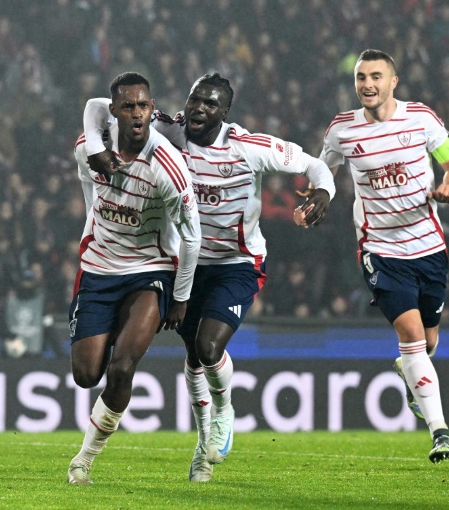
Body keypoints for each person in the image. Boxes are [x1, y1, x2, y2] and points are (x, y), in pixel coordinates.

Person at [82, 73, 335, 482]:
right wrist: (94, 147)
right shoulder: (169, 128)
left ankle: (224, 410)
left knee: (207, 345)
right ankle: (203, 450)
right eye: (195, 99)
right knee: (193, 358)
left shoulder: (249, 148)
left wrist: (324, 192)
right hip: (187, 264)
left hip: (236, 263)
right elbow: (97, 108)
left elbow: (313, 164)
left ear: (225, 112)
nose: (199, 108)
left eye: (211, 104)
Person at [314, 49, 449, 463]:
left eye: (375, 77)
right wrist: (318, 197)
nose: (367, 84)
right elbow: (323, 171)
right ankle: (441, 433)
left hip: (428, 246)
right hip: (380, 249)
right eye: (361, 77)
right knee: (413, 337)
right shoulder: (342, 130)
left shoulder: (421, 118)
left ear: (393, 81)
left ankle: (408, 370)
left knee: (429, 340)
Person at [67, 72, 201, 485]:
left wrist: (180, 298)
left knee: (123, 366)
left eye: (143, 105)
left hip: (150, 271)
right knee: (87, 375)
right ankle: (106, 355)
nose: (137, 113)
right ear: (116, 113)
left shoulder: (168, 168)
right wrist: (93, 145)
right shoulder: (90, 149)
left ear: (152, 108)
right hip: (99, 268)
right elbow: (91, 110)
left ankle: (84, 460)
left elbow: (193, 237)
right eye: (128, 106)